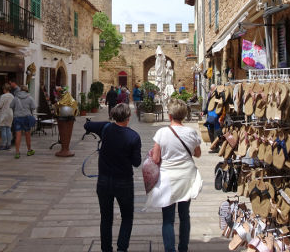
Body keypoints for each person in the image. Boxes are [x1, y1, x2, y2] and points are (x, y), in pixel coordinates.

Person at [146, 99, 203, 252]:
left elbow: (156, 159)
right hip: (186, 177)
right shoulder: (191, 132)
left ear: (170, 115)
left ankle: (170, 250)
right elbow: (198, 154)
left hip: (167, 179)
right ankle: (183, 248)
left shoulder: (161, 133)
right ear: (184, 115)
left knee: (168, 219)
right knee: (185, 216)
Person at [84, 104, 142, 252]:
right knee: (127, 217)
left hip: (103, 181)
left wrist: (89, 123)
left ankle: (106, 249)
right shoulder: (134, 136)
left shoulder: (105, 128)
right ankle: (122, 249)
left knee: (106, 218)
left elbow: (87, 125)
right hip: (124, 182)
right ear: (128, 118)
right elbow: (136, 162)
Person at [10, 85, 36, 159]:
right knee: (27, 134)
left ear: (20, 90)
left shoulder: (16, 98)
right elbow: (33, 107)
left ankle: (17, 152)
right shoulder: (30, 98)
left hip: (17, 118)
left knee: (18, 135)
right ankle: (29, 150)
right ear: (27, 90)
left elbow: (11, 106)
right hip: (26, 118)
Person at [0, 83, 14, 150]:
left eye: (3, 89)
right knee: (8, 129)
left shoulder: (3, 96)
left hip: (4, 113)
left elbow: (0, 106)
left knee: (3, 129)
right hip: (10, 113)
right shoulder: (12, 96)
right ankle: (9, 144)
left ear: (5, 89)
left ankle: (3, 145)